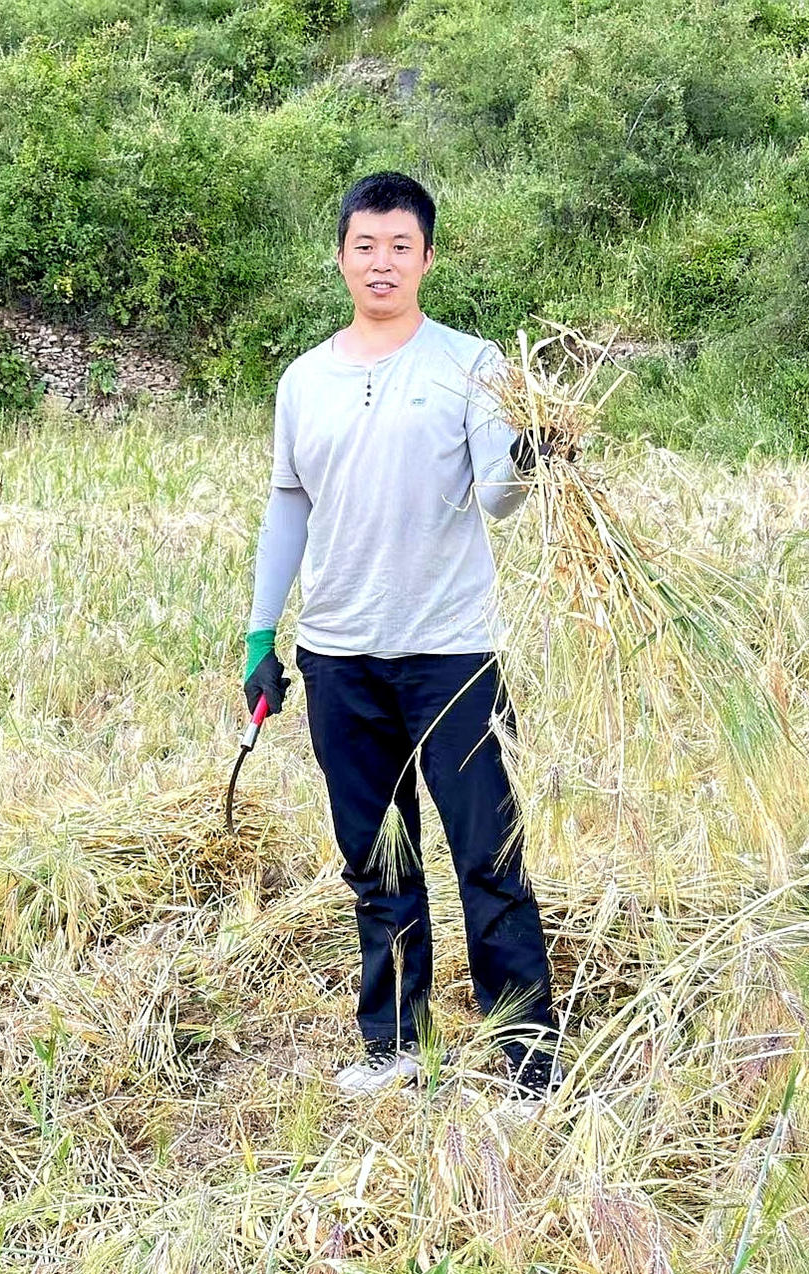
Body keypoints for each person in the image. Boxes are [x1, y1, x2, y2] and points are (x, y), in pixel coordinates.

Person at [242, 172, 561, 1099]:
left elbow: (497, 496)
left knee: (487, 858)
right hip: (338, 655)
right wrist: (261, 635)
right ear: (340, 255)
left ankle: (527, 1061)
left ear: (426, 258)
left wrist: (533, 456)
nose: (380, 263)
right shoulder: (304, 379)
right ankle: (395, 1046)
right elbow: (287, 505)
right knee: (377, 860)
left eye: (399, 247)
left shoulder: (471, 363)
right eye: (364, 246)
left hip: (451, 655)